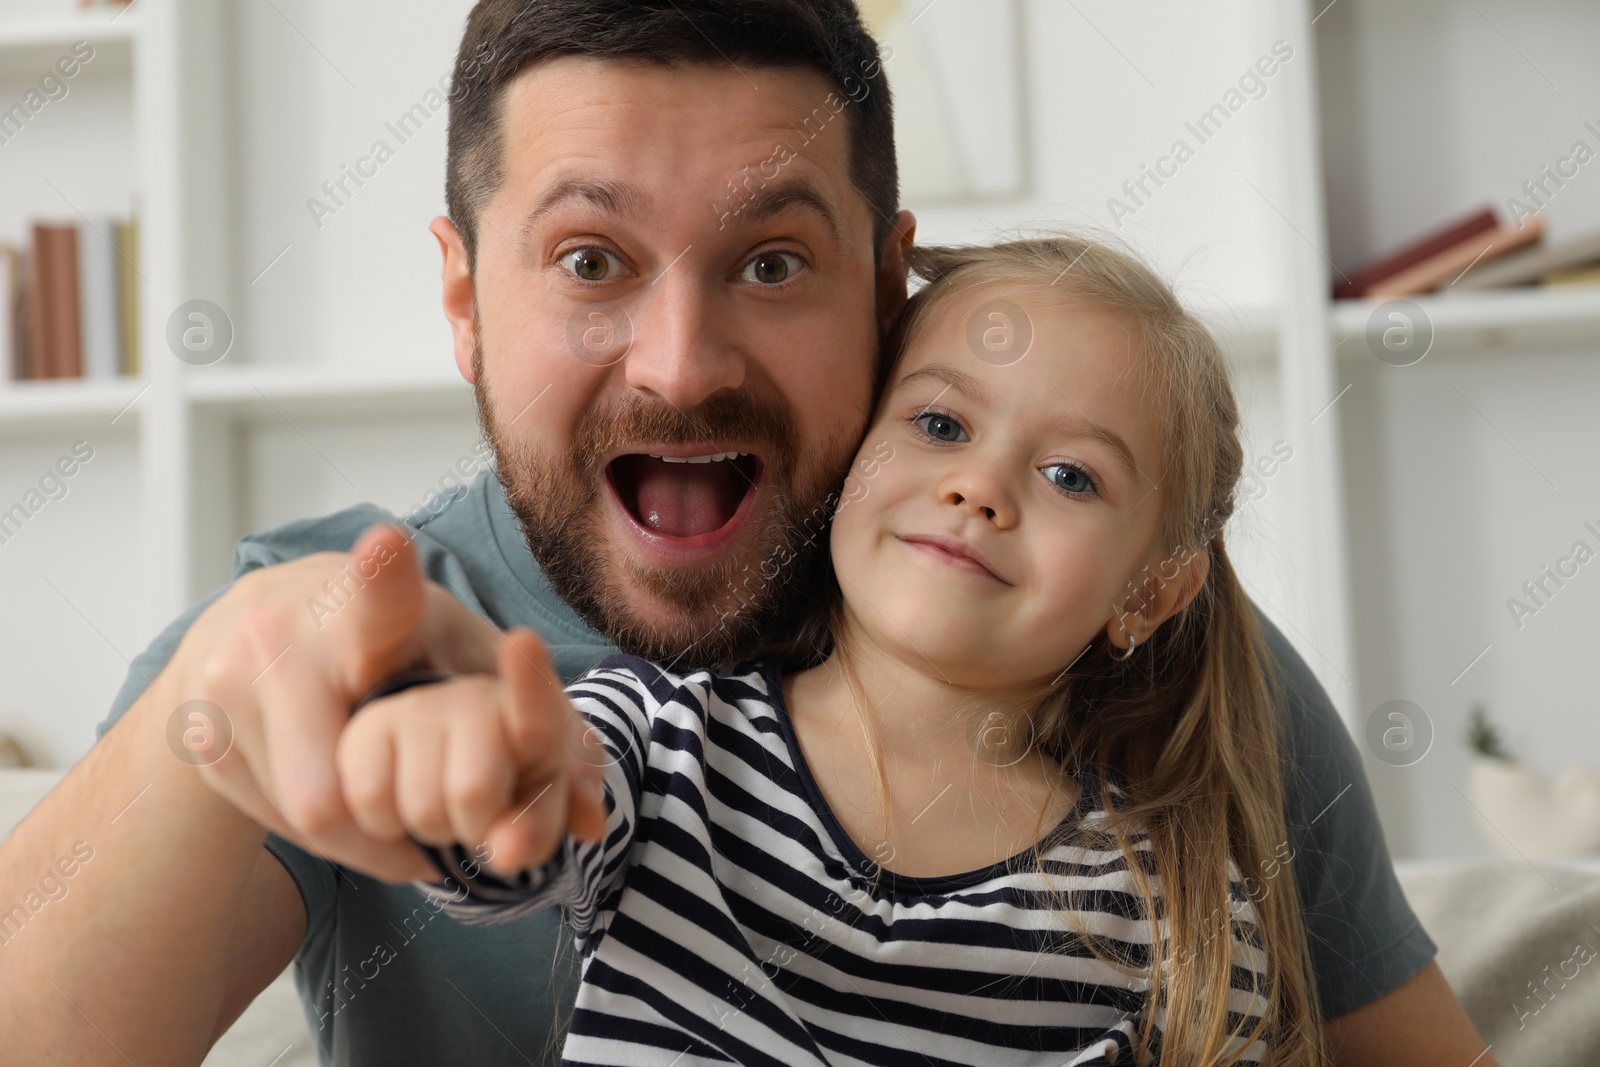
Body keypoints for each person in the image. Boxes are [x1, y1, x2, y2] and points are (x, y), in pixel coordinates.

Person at [0, 2, 1488, 1065]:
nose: (678, 363)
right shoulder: (334, 640)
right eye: (590, 259)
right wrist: (245, 674)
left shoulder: (1133, 645)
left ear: (888, 280)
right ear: (462, 299)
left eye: (772, 260)